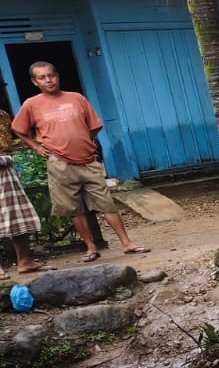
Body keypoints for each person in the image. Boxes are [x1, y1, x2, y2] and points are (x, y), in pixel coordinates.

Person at [11, 63, 147, 262]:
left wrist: (83, 140)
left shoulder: (76, 98)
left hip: (88, 160)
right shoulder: (32, 104)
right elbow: (19, 129)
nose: (48, 80)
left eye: (51, 75)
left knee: (106, 203)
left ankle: (127, 243)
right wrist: (36, 147)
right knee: (73, 209)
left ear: (57, 76)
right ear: (34, 82)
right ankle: (91, 248)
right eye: (42, 77)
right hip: (59, 163)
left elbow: (95, 126)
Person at [0, 117, 45, 276]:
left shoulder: (3, 116)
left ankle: (25, 261)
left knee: (17, 216)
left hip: (5, 168)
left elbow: (9, 143)